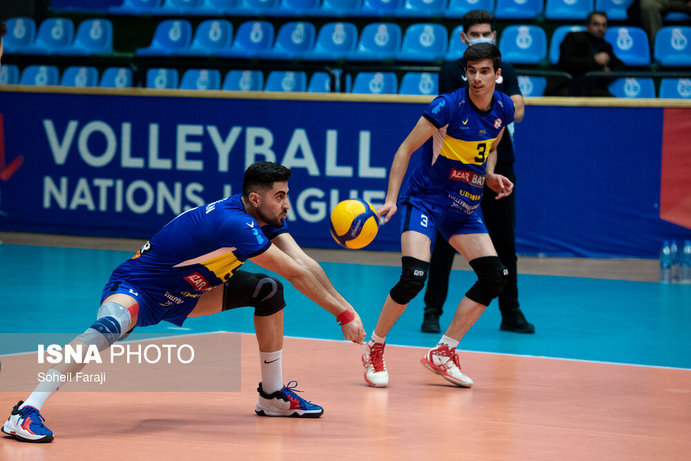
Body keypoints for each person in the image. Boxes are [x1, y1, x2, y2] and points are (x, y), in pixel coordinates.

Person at [2, 161, 366, 443]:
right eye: (280, 196)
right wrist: (342, 315)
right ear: (256, 199)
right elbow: (295, 272)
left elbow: (305, 263)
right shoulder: (236, 224)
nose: (287, 204)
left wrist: (347, 309)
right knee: (108, 328)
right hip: (141, 288)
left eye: (287, 194)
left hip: (188, 292)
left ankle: (272, 397)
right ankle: (25, 411)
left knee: (267, 291)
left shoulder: (262, 217)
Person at [361, 43, 514, 389]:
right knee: (414, 277)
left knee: (495, 276)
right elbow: (405, 149)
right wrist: (391, 199)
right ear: (465, 73)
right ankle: (374, 347)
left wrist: (488, 175)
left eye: (485, 71)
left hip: (465, 207)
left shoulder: (503, 107)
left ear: (497, 74)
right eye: (471, 71)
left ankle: (444, 352)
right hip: (426, 202)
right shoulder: (447, 106)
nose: (477, 78)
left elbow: (489, 147)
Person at [421, 9, 533, 335]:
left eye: (486, 33)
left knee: (504, 242)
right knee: (445, 243)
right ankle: (432, 311)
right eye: (475, 33)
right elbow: (447, 115)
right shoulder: (451, 71)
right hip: (456, 168)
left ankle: (511, 311)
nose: (481, 37)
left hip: (499, 162)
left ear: (494, 37)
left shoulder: (505, 69)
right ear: (464, 37)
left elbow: (518, 108)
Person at [550, 11, 626, 97]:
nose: (601, 28)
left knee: (611, 101)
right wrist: (594, 60)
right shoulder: (573, 38)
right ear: (587, 26)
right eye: (596, 24)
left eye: (604, 25)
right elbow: (567, 62)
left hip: (591, 89)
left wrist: (609, 72)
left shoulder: (606, 46)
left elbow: (620, 65)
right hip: (568, 86)